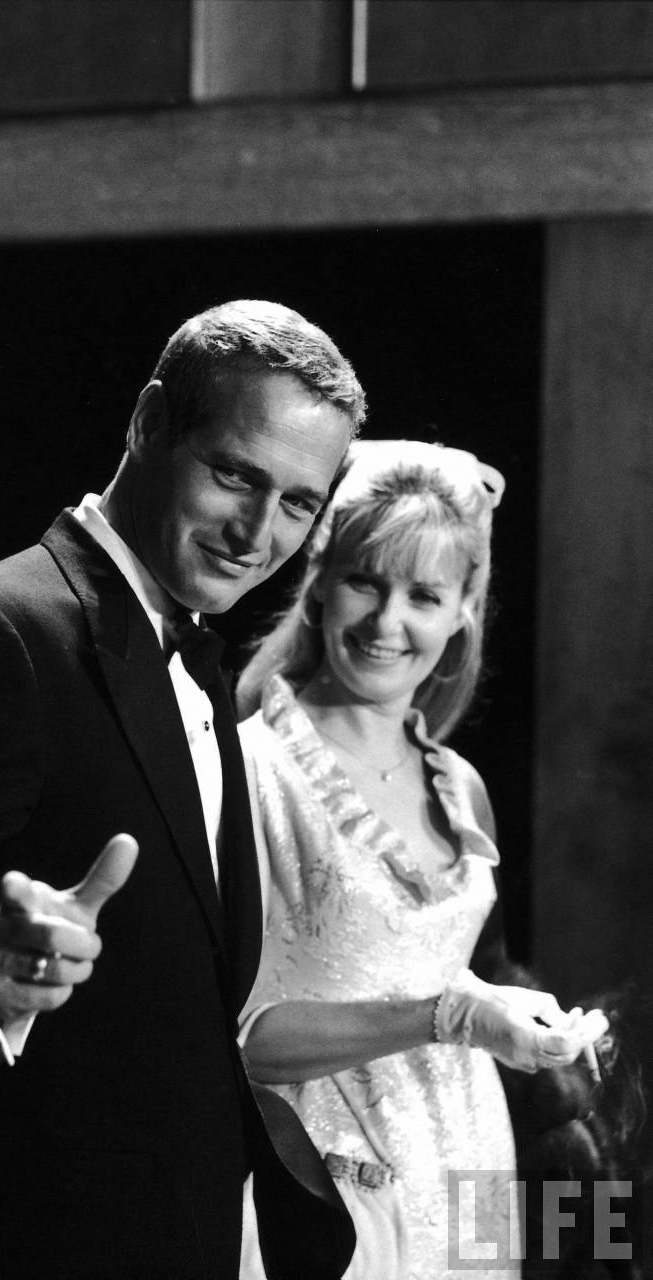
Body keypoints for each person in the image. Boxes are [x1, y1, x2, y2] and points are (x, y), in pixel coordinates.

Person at [0, 300, 365, 1280]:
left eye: (298, 503)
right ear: (150, 422)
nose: (258, 532)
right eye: (236, 474)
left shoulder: (195, 645)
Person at [234, 440, 608, 1280]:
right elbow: (238, 1041)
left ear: (462, 612)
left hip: (471, 1173)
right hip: (328, 1198)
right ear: (319, 582)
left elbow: (452, 971)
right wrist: (453, 1016)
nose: (386, 623)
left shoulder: (461, 787)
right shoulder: (252, 769)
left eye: (424, 596)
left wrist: (526, 1024)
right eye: (365, 582)